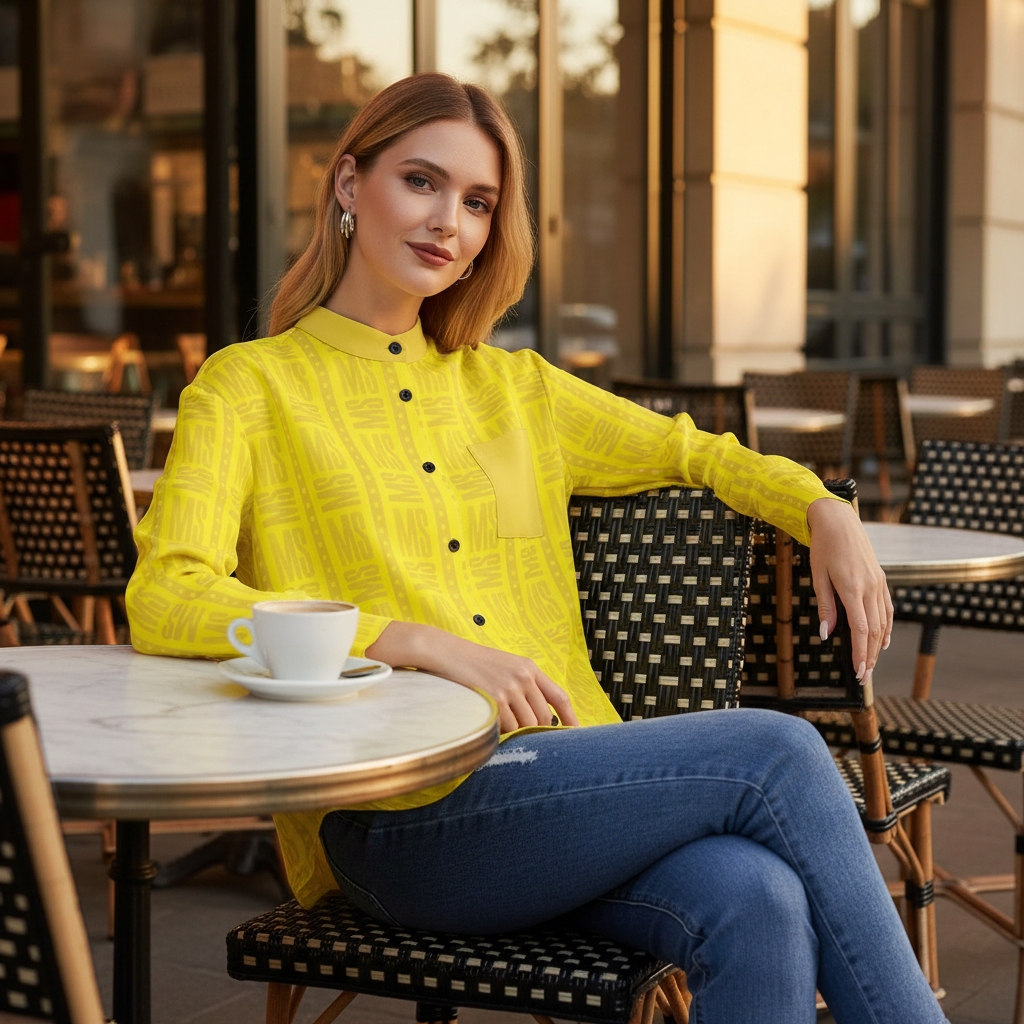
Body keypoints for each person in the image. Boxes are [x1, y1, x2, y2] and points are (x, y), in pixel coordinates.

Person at [126, 72, 946, 1023]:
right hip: (401, 817)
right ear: (348, 185)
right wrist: (410, 639)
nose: (449, 222)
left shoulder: (518, 392)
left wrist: (821, 506)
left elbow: (694, 452)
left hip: (568, 783)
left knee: (755, 897)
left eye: (477, 202)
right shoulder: (249, 388)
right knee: (781, 752)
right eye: (422, 182)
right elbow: (168, 594)